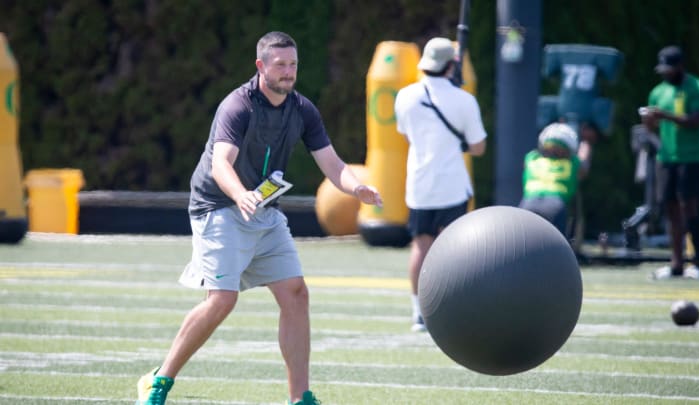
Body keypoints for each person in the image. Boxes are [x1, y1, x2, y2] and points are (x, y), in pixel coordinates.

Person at [134, 31, 382, 405]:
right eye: (280, 65)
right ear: (260, 66)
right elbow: (221, 164)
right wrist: (241, 195)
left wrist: (356, 188)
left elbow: (332, 163)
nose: (288, 72)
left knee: (296, 294)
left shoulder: (302, 109)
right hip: (218, 207)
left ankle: (300, 398)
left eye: (293, 64)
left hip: (264, 210)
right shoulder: (238, 105)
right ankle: (159, 381)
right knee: (221, 300)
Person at [394, 37, 488, 332]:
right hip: (452, 185)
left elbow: (406, 135)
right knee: (454, 249)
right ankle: (452, 308)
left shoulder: (405, 96)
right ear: (451, 65)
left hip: (419, 184)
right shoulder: (464, 99)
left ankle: (418, 312)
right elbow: (478, 147)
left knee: (420, 247)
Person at [642, 46, 699, 280]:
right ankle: (676, 263)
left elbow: (696, 121)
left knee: (690, 207)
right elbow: (651, 129)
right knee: (670, 209)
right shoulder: (657, 92)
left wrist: (665, 116)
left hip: (690, 157)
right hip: (666, 157)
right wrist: (650, 122)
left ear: (680, 66)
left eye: (670, 69)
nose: (666, 74)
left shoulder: (698, 87)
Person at [519, 122, 593, 236]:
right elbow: (584, 164)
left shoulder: (531, 158)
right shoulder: (572, 163)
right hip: (555, 207)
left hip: (527, 205)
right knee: (557, 249)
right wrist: (586, 140)